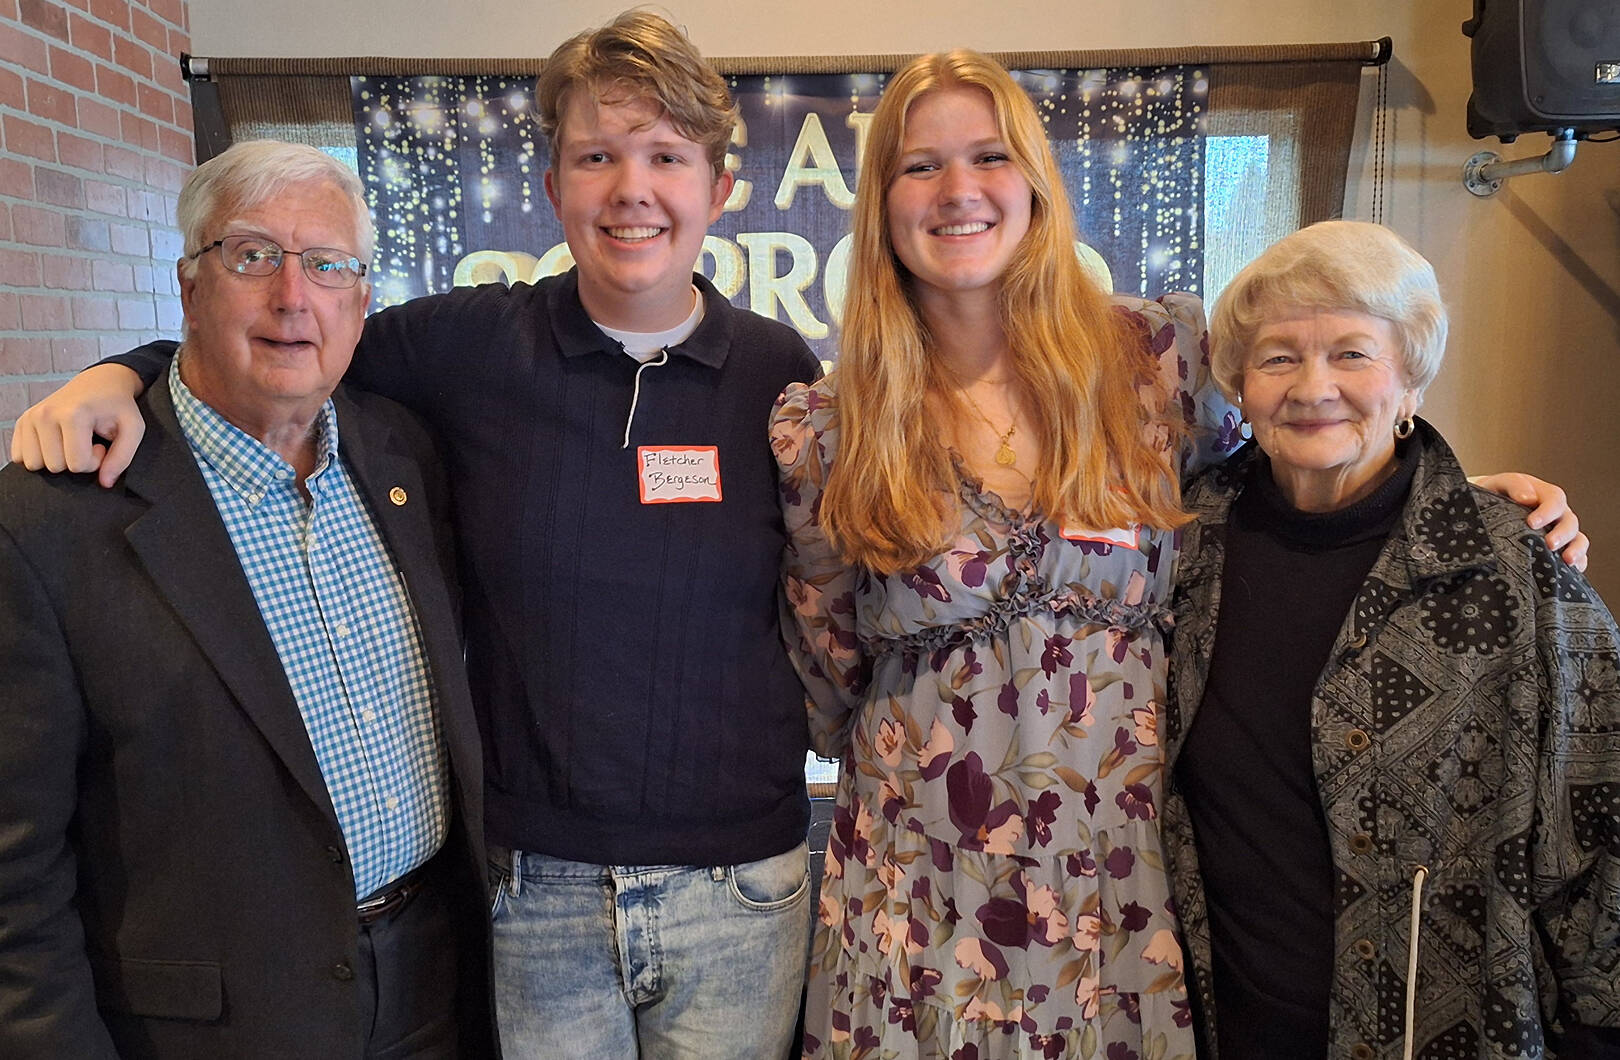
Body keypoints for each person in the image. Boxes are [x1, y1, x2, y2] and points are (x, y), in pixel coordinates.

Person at [7, 12, 821, 1058]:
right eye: (596, 155)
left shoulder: (776, 373)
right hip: (539, 897)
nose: (632, 188)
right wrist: (120, 370)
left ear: (721, 186)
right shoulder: (468, 346)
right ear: (551, 181)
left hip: (743, 888)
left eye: (667, 155)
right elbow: (282, 339)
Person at [768, 52, 1593, 1060]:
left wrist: (1461, 506)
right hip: (920, 883)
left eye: (988, 155)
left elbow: (1305, 455)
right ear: (881, 201)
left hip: (1125, 888)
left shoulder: (1156, 364)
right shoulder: (830, 424)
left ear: (1034, 178)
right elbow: (826, 666)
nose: (958, 190)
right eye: (919, 166)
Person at [0, 141, 495, 1058]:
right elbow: (15, 880)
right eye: (253, 255)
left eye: (326, 265)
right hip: (217, 1028)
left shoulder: (405, 459)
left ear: (361, 302)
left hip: (437, 986)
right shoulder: (49, 521)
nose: (292, 297)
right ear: (191, 285)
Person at [1162, 220, 1620, 1059]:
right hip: (1216, 1026)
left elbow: (1602, 819)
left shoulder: (1512, 566)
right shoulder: (1182, 545)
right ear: (1239, 387)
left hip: (1446, 1031)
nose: (1312, 387)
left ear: (1410, 382)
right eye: (1277, 358)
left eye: (1352, 354)